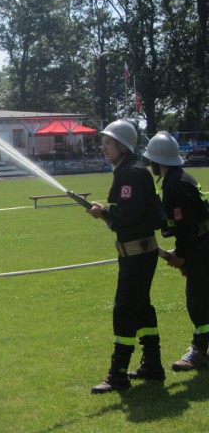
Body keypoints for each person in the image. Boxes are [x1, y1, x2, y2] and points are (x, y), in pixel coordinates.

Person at [85, 119, 165, 393]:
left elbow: (128, 216)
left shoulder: (130, 173)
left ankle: (117, 374)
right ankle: (152, 366)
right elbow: (133, 211)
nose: (103, 147)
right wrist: (107, 210)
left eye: (108, 143)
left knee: (124, 310)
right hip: (138, 252)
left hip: (137, 254)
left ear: (121, 145)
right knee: (142, 308)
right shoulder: (130, 170)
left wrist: (103, 213)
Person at [143, 131, 209, 371]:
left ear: (156, 161)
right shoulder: (182, 178)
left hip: (201, 247)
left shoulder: (175, 185)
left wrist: (181, 254)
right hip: (202, 244)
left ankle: (200, 352)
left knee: (199, 302)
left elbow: (185, 226)